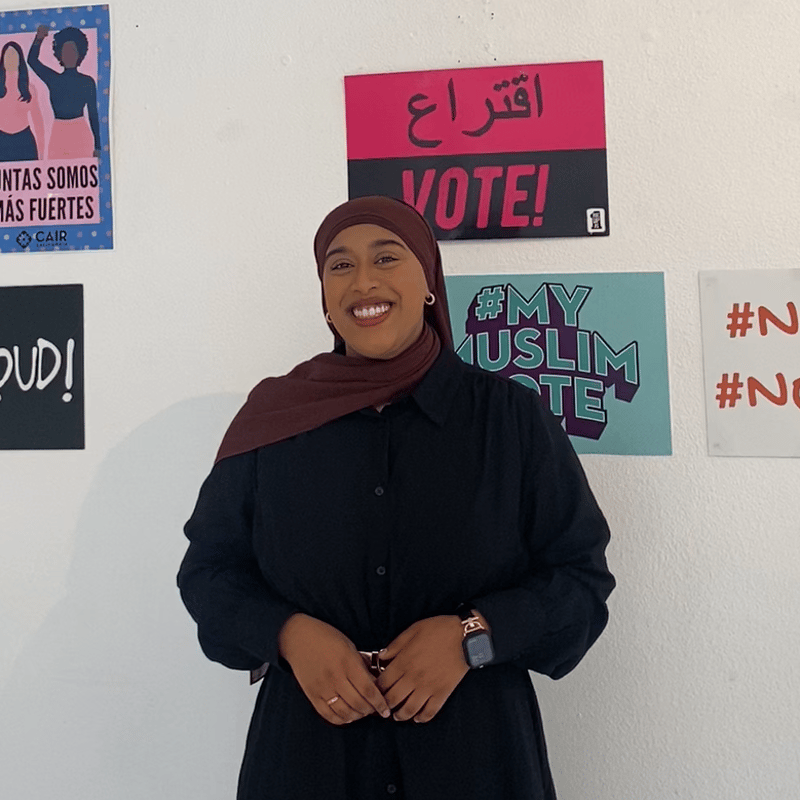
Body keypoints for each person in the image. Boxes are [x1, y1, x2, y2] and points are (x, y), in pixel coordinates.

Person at [178, 195, 615, 800]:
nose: (363, 282)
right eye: (340, 265)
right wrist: (288, 635)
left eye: (386, 257)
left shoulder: (508, 418)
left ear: (429, 281)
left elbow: (580, 579)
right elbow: (208, 573)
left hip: (475, 764)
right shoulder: (272, 421)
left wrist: (473, 636)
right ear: (325, 296)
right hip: (308, 763)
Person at [27, 25, 101, 159]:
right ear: (59, 54)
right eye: (65, 51)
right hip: (58, 135)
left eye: (72, 50)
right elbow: (32, 61)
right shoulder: (53, 79)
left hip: (81, 136)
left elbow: (93, 115)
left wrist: (98, 146)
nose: (69, 54)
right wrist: (39, 38)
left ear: (80, 53)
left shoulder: (88, 82)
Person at [0, 41, 44, 161]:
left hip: (25, 143)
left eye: (14, 56)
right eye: (7, 56)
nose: (10, 59)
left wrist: (41, 153)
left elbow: (38, 121)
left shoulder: (29, 89)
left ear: (20, 60)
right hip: (2, 142)